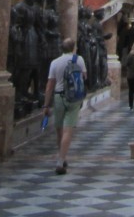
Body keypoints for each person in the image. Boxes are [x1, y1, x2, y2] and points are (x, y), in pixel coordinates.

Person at [42, 36, 87, 175]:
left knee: (59, 129)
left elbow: (50, 85)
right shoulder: (79, 60)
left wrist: (46, 105)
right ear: (74, 48)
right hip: (73, 98)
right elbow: (84, 77)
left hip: (58, 96)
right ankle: (60, 161)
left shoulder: (55, 62)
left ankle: (62, 156)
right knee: (68, 130)